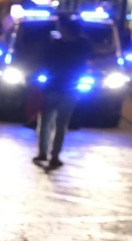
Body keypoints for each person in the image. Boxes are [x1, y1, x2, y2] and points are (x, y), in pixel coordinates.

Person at [33, 12, 93, 171]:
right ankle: (54, 156)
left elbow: (44, 63)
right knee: (61, 125)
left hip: (52, 88)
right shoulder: (82, 46)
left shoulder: (56, 45)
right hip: (70, 90)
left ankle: (43, 153)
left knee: (46, 123)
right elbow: (87, 62)